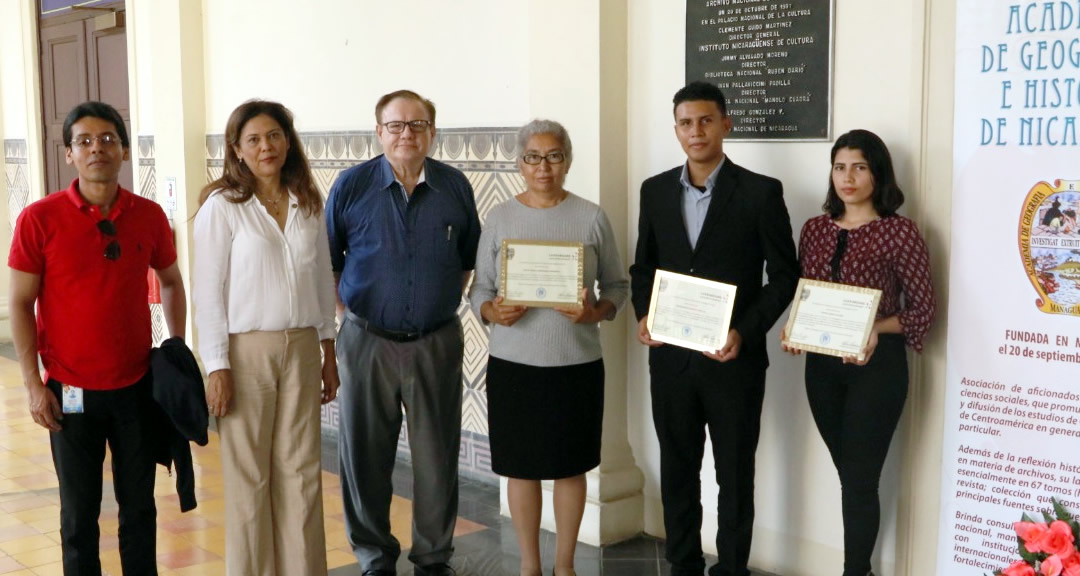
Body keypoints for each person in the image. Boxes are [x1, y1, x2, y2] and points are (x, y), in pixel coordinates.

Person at [8, 101, 186, 575]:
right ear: (69, 154)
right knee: (78, 517)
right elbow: (20, 305)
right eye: (84, 141)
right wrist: (32, 385)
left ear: (124, 150)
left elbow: (171, 281)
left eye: (107, 139)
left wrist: (174, 348)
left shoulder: (147, 217)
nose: (96, 149)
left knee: (140, 512)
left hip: (135, 390)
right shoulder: (38, 219)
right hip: (70, 393)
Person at [629, 81, 799, 576]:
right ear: (676, 129)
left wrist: (744, 332)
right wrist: (645, 314)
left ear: (726, 123)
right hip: (672, 361)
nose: (696, 131)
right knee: (678, 472)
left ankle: (731, 568)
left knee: (734, 476)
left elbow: (785, 277)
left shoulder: (761, 193)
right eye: (686, 122)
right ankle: (683, 563)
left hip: (734, 362)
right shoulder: (655, 190)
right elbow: (646, 269)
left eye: (706, 120)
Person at [328, 89, 481, 576]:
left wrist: (431, 307)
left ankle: (433, 556)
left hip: (436, 340)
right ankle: (374, 556)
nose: (406, 134)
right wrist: (351, 318)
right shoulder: (351, 187)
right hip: (366, 340)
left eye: (417, 125)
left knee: (437, 458)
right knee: (365, 457)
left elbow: (466, 263)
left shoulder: (455, 187)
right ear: (379, 132)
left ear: (432, 132)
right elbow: (330, 265)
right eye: (395, 125)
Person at [469, 120, 628, 576]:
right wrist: (491, 312)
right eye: (534, 157)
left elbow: (617, 284)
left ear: (568, 161)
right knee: (520, 468)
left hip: (575, 362)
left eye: (554, 156)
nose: (544, 167)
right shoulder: (500, 217)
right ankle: (529, 566)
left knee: (570, 466)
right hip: (514, 364)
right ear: (520, 163)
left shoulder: (591, 216)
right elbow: (479, 288)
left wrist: (595, 312)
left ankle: (565, 566)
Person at [192, 99, 338, 576]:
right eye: (253, 139)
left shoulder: (307, 200)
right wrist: (217, 366)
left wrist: (328, 349)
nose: (266, 146)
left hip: (300, 347)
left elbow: (322, 281)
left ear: (288, 140)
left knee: (301, 475)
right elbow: (208, 294)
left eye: (274, 135)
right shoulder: (223, 207)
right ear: (236, 149)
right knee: (250, 478)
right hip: (245, 351)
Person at [781, 129, 935, 576]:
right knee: (851, 476)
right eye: (840, 166)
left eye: (860, 167)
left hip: (877, 369)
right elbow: (806, 295)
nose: (848, 177)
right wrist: (796, 326)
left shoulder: (899, 232)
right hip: (822, 370)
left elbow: (924, 308)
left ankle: (856, 571)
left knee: (861, 480)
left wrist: (877, 328)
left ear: (878, 173)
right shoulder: (813, 230)